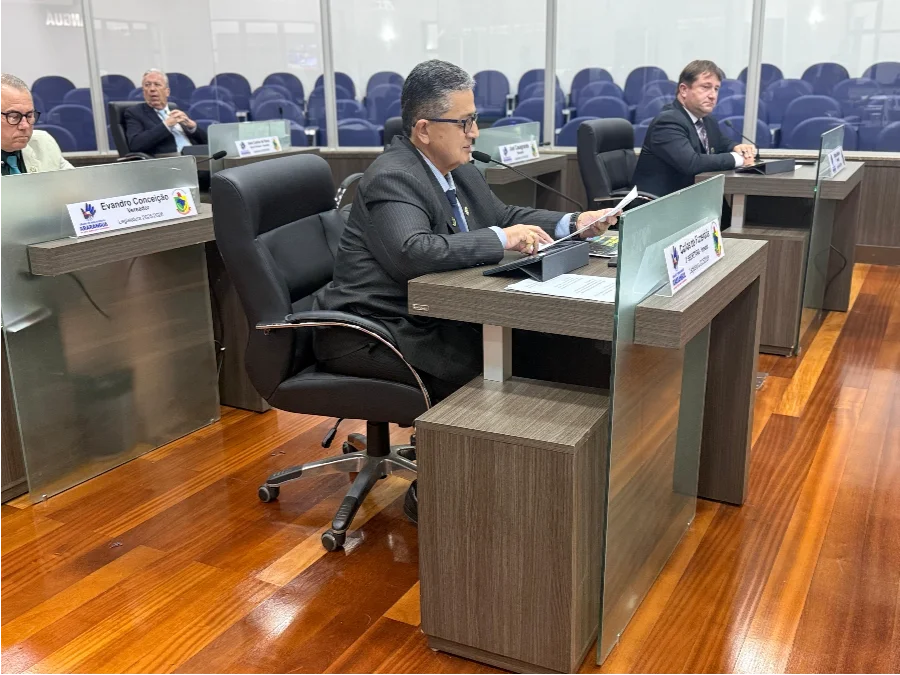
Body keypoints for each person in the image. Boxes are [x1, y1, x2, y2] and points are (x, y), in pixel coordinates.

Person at [313, 59, 617, 522]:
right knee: (499, 370)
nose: (475, 132)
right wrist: (500, 240)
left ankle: (560, 487)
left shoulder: (460, 168)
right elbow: (414, 252)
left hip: (430, 314)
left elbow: (504, 214)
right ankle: (440, 492)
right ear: (424, 129)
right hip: (374, 329)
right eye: (465, 122)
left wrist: (570, 222)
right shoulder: (393, 176)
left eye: (475, 120)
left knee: (556, 347)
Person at [632, 59, 757, 200]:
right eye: (705, 87)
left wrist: (738, 147)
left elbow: (722, 144)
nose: (712, 95)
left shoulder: (707, 120)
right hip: (660, 204)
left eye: (716, 89)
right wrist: (738, 159)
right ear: (684, 90)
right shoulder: (668, 121)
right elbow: (692, 163)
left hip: (690, 199)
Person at [0, 73, 72, 175]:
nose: (25, 125)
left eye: (29, 115)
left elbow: (76, 186)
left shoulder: (43, 143)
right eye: (14, 117)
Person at [123, 69, 207, 156]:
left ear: (167, 92)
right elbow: (136, 145)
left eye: (157, 84)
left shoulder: (175, 109)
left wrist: (192, 127)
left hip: (197, 158)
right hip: (170, 162)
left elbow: (206, 142)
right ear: (144, 92)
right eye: (147, 85)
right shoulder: (135, 113)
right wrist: (166, 125)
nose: (152, 89)